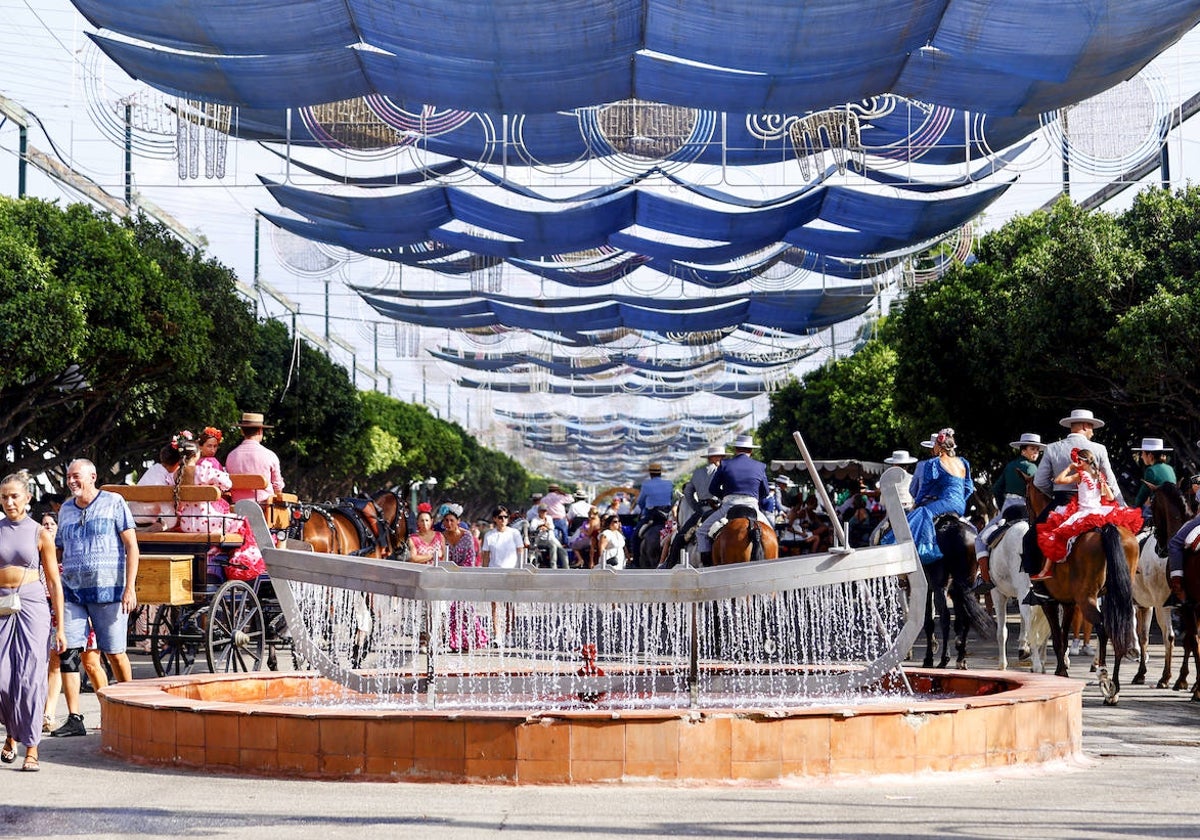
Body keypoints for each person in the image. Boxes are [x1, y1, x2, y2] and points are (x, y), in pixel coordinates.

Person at [51, 459, 139, 738]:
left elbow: (131, 546)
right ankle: (75, 717)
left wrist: (130, 587)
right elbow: (58, 552)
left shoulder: (114, 502)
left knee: (114, 653)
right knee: (69, 653)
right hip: (73, 593)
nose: (71, 481)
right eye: (68, 476)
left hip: (109, 591)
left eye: (76, 476)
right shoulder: (65, 509)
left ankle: (133, 706)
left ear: (93, 476)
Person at [0, 471, 67, 771]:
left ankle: (31, 747)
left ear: (27, 498)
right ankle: (13, 732)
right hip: (1, 605)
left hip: (32, 605)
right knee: (3, 679)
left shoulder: (40, 533)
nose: (9, 502)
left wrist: (61, 627)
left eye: (15, 496)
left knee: (29, 678)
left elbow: (54, 582)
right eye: (4, 497)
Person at [1024, 408, 1124, 588]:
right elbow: (1111, 482)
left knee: (1031, 537)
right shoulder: (1099, 449)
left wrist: (1056, 493)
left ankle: (1036, 584)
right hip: (1095, 504)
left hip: (1063, 501)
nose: (1093, 432)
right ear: (1085, 426)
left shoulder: (1053, 448)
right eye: (1092, 427)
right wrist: (1121, 505)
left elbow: (1039, 482)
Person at [1032, 447, 1143, 580]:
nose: (1076, 463)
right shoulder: (1099, 476)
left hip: (1084, 511)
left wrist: (1070, 467)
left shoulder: (1081, 475)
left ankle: (1045, 570)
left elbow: (1058, 481)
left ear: (1082, 461)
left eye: (1077, 460)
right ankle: (1133, 562)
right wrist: (1103, 484)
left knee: (1056, 533)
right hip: (1100, 510)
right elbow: (1110, 498)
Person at [882, 429, 971, 564]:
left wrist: (916, 504)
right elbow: (968, 488)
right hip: (961, 505)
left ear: (939, 447)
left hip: (945, 502)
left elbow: (925, 488)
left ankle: (926, 549)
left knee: (922, 513)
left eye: (935, 444)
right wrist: (960, 500)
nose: (933, 447)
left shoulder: (934, 463)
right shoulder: (963, 462)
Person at [973, 433, 1045, 592]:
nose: (1036, 452)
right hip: (1029, 510)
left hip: (1008, 509)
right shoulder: (1034, 468)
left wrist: (1002, 506)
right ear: (1023, 450)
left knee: (980, 539)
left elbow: (996, 489)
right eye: (1033, 449)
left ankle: (985, 578)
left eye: (1038, 450)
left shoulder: (1009, 466)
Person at [696, 435, 776, 565]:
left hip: (729, 505)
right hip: (752, 506)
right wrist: (755, 498)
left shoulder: (725, 464)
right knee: (771, 532)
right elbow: (766, 491)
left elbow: (713, 488)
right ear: (751, 451)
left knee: (701, 532)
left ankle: (706, 565)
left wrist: (725, 497)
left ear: (735, 449)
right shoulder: (760, 466)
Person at [441, 506, 488, 651]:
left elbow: (470, 559)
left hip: (463, 577)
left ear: (458, 521)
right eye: (446, 520)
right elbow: (441, 557)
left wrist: (459, 574)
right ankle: (454, 641)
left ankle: (473, 639)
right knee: (451, 611)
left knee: (465, 609)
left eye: (452, 521)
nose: (449, 523)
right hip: (447, 578)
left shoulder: (467, 536)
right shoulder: (441, 537)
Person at [481, 506, 526, 647]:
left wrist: (521, 571)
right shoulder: (489, 535)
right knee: (495, 604)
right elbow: (486, 557)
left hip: (511, 572)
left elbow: (521, 553)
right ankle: (497, 634)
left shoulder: (515, 533)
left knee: (510, 605)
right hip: (494, 571)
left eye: (505, 517)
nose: (503, 520)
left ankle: (509, 633)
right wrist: (484, 574)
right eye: (500, 517)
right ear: (495, 519)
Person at [224, 412, 285, 504]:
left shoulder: (231, 456)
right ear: (260, 431)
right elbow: (277, 487)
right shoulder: (270, 455)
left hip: (237, 507)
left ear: (242, 431)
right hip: (264, 508)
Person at [128, 442, 183, 531]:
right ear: (178, 463)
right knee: (161, 527)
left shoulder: (154, 470)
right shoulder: (162, 484)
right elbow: (171, 522)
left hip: (132, 521)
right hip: (143, 527)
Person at [1131, 437, 1176, 514]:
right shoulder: (1170, 468)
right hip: (1173, 505)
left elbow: (1143, 494)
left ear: (1150, 455)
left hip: (1161, 507)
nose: (1141, 456)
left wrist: (1135, 508)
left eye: (1142, 453)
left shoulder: (1151, 470)